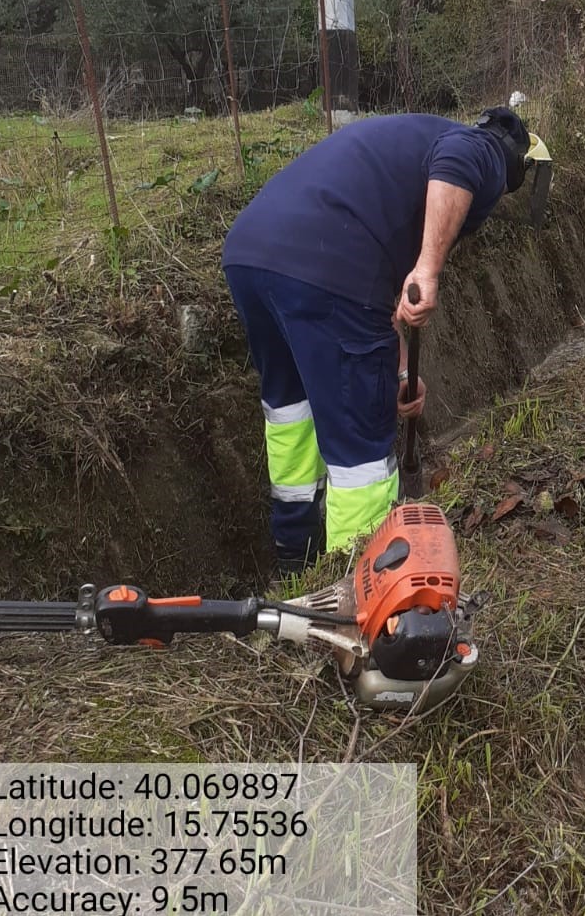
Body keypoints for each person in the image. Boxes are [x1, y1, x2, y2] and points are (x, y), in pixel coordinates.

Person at [222, 106, 537, 574]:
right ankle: (356, 578)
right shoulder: (486, 152)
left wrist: (403, 370)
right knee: (360, 452)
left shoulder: (406, 141)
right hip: (329, 266)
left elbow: (380, 300)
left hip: (250, 257)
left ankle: (296, 560)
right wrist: (428, 270)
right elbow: (461, 160)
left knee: (292, 410)